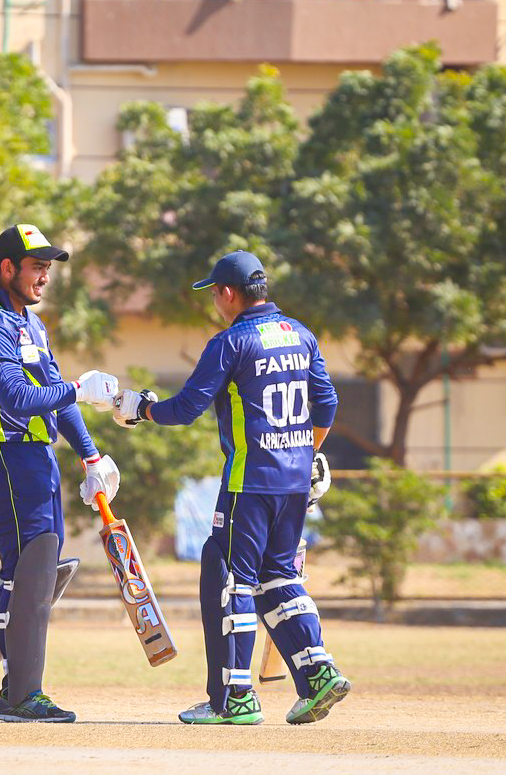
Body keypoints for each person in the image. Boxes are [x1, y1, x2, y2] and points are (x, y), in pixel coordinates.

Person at [113, 250, 350, 726]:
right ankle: (318, 672)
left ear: (226, 293)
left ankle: (234, 699)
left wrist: (141, 410)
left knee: (230, 577)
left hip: (249, 481)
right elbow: (326, 403)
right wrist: (306, 454)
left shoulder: (231, 342)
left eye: (214, 294)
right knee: (278, 576)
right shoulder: (300, 335)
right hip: (294, 482)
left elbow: (186, 408)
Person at [0, 224, 120, 723]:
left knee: (34, 578)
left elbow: (54, 392)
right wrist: (79, 388)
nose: (45, 277)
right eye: (37, 267)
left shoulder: (30, 324)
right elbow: (18, 397)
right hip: (4, 458)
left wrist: (91, 456)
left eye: (48, 268)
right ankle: (20, 695)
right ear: (7, 268)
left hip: (37, 461)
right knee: (32, 575)